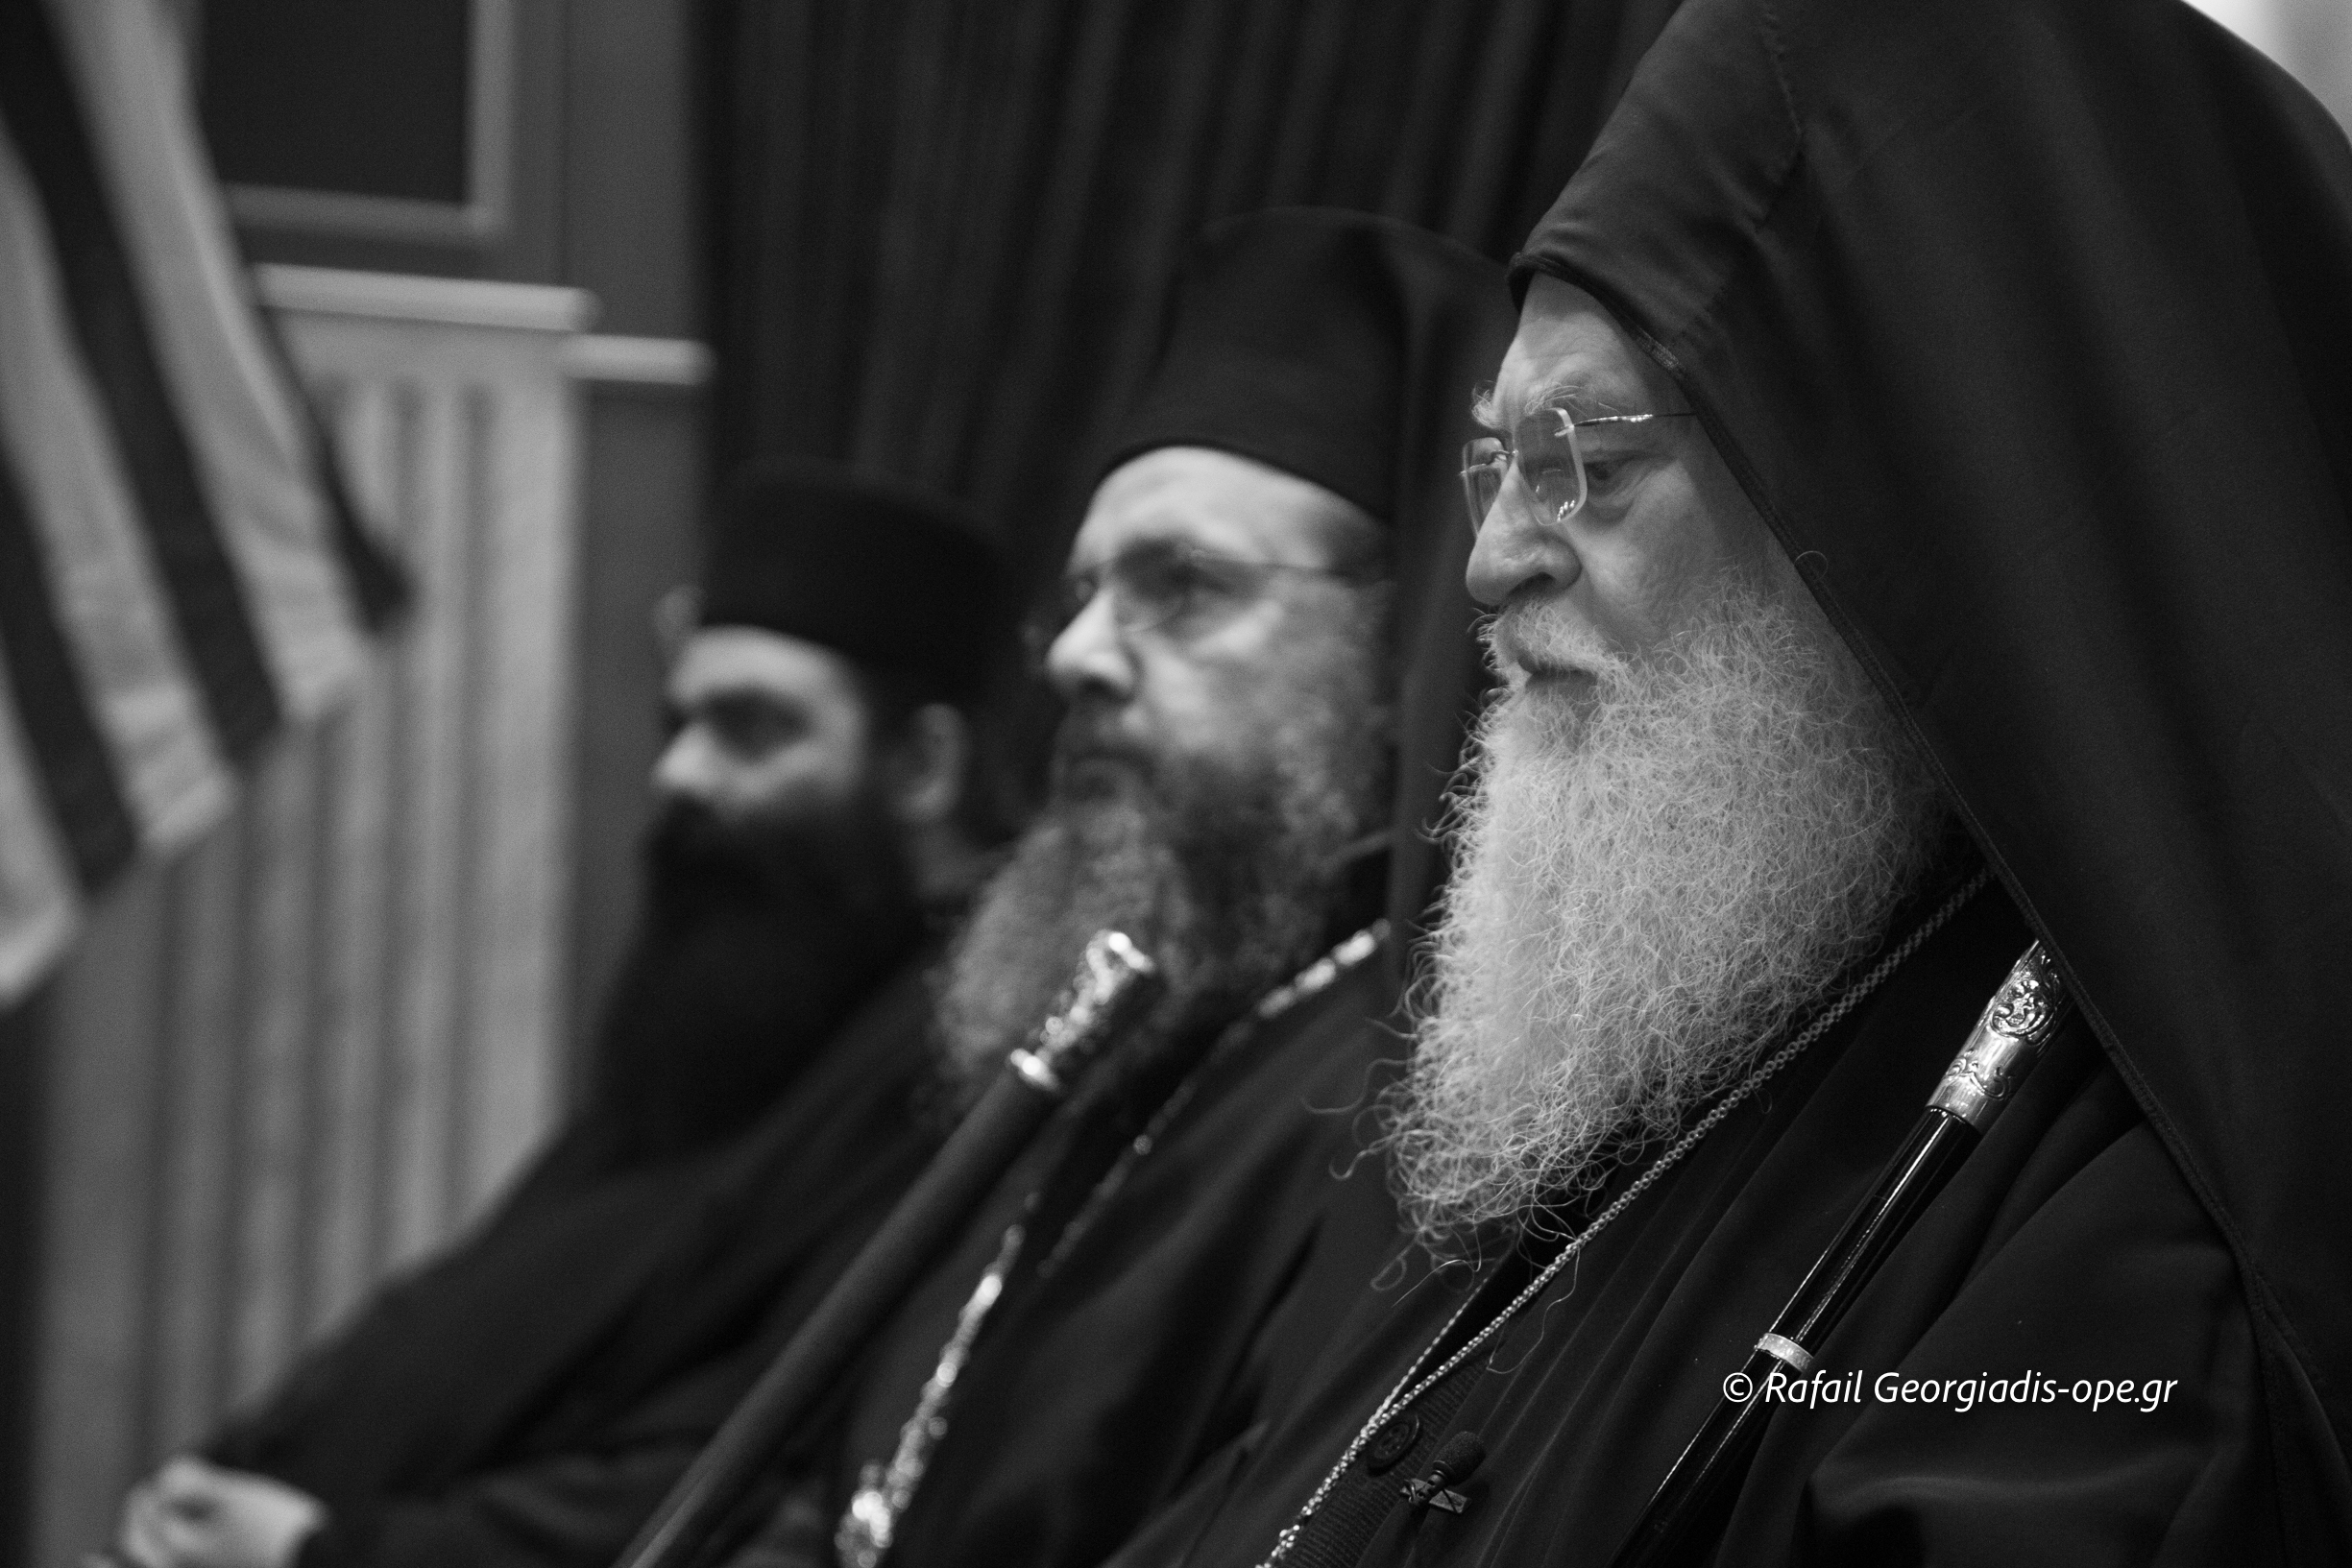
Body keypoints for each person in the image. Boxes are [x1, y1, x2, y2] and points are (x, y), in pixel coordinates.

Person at [1108, 0, 2352, 1562]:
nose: (1488, 563)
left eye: (1588, 461)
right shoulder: (1635, 1032)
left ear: (1893, 491)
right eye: (1499, 461)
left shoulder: (2136, 1232)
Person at [716, 209, 1515, 1568]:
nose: (1074, 655)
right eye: (1081, 592)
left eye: (1181, 587)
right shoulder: (1127, 1025)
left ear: (1400, 644)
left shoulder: (1424, 1112)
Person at [112, 462, 1012, 1568]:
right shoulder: (751, 1001)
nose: (681, 773)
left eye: (750, 728)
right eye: (677, 722)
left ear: (921, 764)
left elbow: (780, 1464)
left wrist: (332, 1550)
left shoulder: (966, 1054)